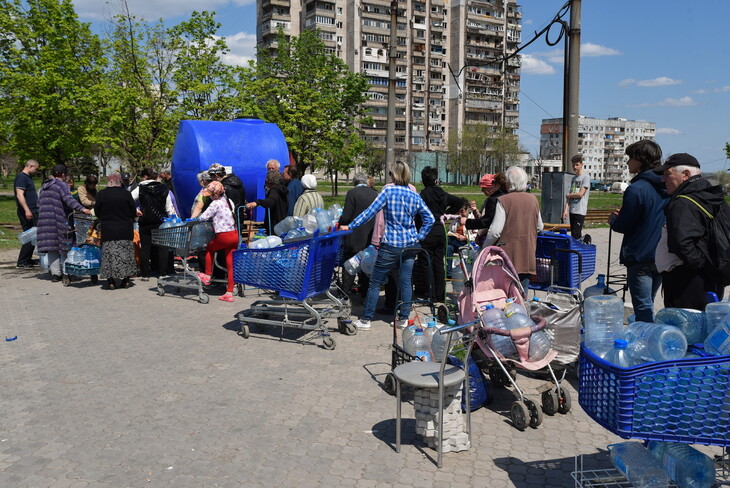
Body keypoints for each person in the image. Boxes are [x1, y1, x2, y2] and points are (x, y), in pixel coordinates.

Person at [340, 161, 435, 330]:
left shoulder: (388, 190)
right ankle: (404, 318)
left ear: (394, 175)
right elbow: (430, 218)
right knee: (406, 282)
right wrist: (419, 236)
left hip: (391, 244)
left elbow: (370, 212)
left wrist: (352, 225)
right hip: (411, 245)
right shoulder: (413, 194)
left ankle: (366, 319)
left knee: (375, 282)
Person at [654, 153, 727, 309]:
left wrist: (697, 265)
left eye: (667, 174)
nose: (663, 179)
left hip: (687, 282)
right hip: (710, 277)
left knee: (686, 329)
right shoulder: (713, 196)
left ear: (685, 175)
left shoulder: (683, 202)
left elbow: (682, 243)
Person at [609, 140, 668, 322]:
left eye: (630, 158)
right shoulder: (667, 187)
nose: (627, 163)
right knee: (648, 302)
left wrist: (614, 220)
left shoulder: (636, 189)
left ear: (640, 160)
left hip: (639, 256)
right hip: (660, 254)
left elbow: (624, 225)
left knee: (642, 308)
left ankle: (647, 343)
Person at [484, 166, 543, 292]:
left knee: (504, 292)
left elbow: (495, 231)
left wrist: (484, 249)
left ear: (508, 183)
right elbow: (540, 226)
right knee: (522, 292)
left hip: (507, 255)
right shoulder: (533, 199)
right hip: (527, 253)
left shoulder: (503, 200)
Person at [414, 166, 463, 303]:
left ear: (423, 180)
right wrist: (446, 214)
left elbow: (418, 214)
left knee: (426, 263)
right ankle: (440, 295)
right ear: (436, 180)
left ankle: (430, 293)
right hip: (440, 230)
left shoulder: (423, 195)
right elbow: (459, 202)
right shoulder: (442, 193)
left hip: (427, 230)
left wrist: (419, 227)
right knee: (438, 263)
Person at [36, 164, 91, 282]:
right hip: (59, 219)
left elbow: (38, 204)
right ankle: (68, 273)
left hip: (44, 220)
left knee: (52, 247)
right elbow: (68, 199)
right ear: (63, 174)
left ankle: (56, 274)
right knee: (66, 246)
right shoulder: (61, 185)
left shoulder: (44, 186)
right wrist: (82, 209)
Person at [196, 181, 238, 303]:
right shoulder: (228, 201)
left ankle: (208, 276)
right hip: (234, 234)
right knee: (230, 264)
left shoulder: (215, 203)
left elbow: (204, 217)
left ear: (214, 194)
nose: (208, 196)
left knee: (209, 248)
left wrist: (195, 220)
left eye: (209, 194)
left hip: (223, 235)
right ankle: (229, 292)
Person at [338, 173, 378, 299]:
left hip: (354, 236)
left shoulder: (352, 193)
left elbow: (346, 216)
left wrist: (341, 223)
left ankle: (346, 293)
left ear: (354, 182)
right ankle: (364, 294)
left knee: (350, 264)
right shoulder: (375, 194)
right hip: (369, 236)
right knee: (366, 265)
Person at [94, 173, 137, 290]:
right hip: (125, 229)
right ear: (120, 182)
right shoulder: (126, 194)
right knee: (126, 255)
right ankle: (126, 280)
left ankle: (111, 282)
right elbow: (133, 211)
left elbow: (97, 211)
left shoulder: (101, 194)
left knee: (109, 256)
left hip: (108, 230)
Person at [131, 168, 175, 278]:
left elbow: (128, 199)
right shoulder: (164, 188)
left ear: (145, 177)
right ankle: (162, 272)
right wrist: (173, 219)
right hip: (161, 221)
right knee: (162, 248)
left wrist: (135, 211)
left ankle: (145, 273)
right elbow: (169, 207)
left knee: (145, 248)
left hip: (145, 221)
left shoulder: (140, 188)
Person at [463, 172, 507, 247]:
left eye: (484, 188)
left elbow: (488, 222)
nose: (482, 190)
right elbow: (483, 219)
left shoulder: (493, 200)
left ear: (493, 186)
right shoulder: (490, 200)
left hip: (494, 239)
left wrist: (468, 222)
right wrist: (475, 211)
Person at [14, 159, 40, 269]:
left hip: (33, 210)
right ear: (30, 166)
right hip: (27, 211)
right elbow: (20, 195)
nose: (36, 171)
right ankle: (22, 261)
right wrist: (27, 210)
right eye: (36, 169)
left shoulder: (28, 178)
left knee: (34, 235)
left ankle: (27, 259)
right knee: (30, 235)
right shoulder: (21, 177)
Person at [245, 170, 288, 235]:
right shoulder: (282, 189)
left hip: (275, 225)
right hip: (282, 222)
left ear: (269, 181)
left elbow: (270, 201)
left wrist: (257, 202)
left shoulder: (274, 190)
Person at [563, 154, 590, 239]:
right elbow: (569, 197)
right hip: (572, 210)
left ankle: (579, 250)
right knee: (573, 234)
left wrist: (569, 195)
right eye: (573, 165)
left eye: (577, 165)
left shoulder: (585, 177)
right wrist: (566, 210)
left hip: (580, 210)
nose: (575, 167)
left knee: (576, 233)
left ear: (582, 165)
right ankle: (575, 250)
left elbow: (580, 194)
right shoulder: (573, 179)